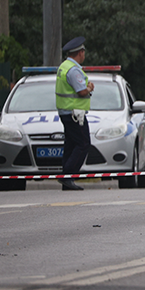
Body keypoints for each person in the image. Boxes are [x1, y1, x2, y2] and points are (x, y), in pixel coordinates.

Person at [55, 36, 94, 191]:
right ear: (80, 53)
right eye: (83, 52)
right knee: (84, 143)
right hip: (74, 114)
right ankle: (67, 174)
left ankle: (67, 181)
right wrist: (90, 88)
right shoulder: (73, 70)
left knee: (70, 144)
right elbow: (82, 91)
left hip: (66, 112)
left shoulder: (64, 66)